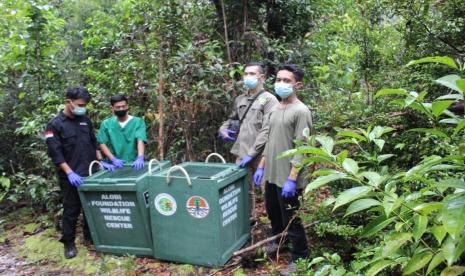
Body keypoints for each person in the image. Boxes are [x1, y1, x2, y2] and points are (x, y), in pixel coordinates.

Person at [253, 64, 312, 275]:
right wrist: (261, 167)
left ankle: (300, 258)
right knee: (273, 212)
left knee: (292, 220)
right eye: (279, 79)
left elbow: (303, 148)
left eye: (287, 81)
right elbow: (270, 141)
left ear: (298, 85)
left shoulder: (301, 111)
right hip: (271, 174)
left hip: (288, 177)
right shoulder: (276, 108)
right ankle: (279, 242)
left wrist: (293, 178)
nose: (281, 84)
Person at [45, 87, 112, 259]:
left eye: (85, 105)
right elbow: (55, 152)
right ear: (68, 102)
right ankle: (68, 243)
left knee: (91, 207)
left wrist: (100, 161)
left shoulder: (85, 120)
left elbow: (93, 142)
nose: (83, 107)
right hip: (71, 176)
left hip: (91, 172)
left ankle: (90, 238)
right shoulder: (54, 125)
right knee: (72, 209)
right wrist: (69, 173)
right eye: (80, 104)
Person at [218, 62, 278, 216]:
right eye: (245, 74)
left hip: (263, 155)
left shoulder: (270, 100)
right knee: (243, 190)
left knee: (268, 191)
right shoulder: (240, 99)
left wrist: (252, 153)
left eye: (252, 74)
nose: (248, 77)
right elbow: (233, 119)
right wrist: (223, 129)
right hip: (241, 152)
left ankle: (274, 226)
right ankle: (248, 221)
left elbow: (268, 129)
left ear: (262, 77)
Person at [97, 94, 147, 170]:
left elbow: (140, 139)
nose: (121, 109)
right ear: (112, 108)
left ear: (127, 106)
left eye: (123, 106)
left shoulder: (138, 122)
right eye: (118, 107)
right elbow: (102, 142)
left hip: (133, 163)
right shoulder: (106, 124)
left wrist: (140, 156)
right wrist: (113, 159)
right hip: (114, 165)